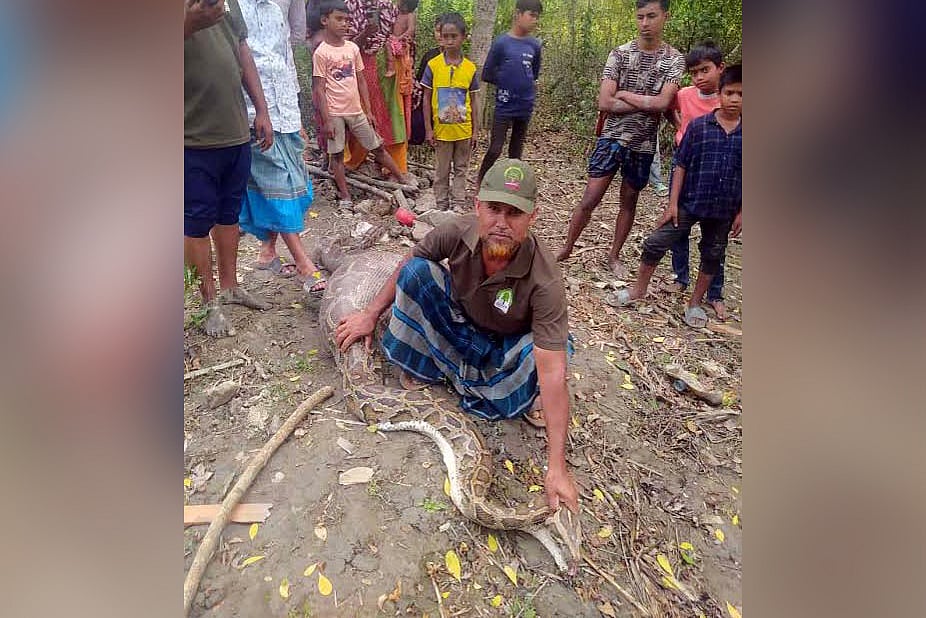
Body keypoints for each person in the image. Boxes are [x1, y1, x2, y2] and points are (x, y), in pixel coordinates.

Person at [334, 158, 580, 514]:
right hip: (461, 326)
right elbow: (409, 262)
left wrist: (556, 466)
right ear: (478, 207)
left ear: (532, 217)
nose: (501, 223)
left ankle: (472, 381)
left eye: (514, 214)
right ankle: (439, 371)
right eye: (494, 209)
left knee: (554, 353)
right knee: (419, 273)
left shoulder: (545, 279)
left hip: (503, 349)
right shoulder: (456, 231)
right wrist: (370, 314)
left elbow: (553, 372)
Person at [555, 0, 684, 280]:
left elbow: (663, 103)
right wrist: (648, 103)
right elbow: (604, 101)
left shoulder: (674, 59)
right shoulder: (620, 54)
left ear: (665, 16)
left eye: (652, 16)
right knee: (590, 198)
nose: (645, 23)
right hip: (612, 137)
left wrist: (625, 95)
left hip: (644, 143)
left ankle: (614, 255)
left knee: (629, 201)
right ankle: (566, 248)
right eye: (640, 17)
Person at [606, 65, 741, 328]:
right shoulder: (700, 127)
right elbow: (681, 164)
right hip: (690, 201)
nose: (734, 99)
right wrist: (672, 203)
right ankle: (637, 290)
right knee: (655, 243)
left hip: (724, 208)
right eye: (729, 93)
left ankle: (695, 303)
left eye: (741, 94)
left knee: (713, 254)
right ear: (720, 94)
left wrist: (742, 211)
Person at [184, 0, 272, 338]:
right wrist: (189, 23)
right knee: (195, 223)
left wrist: (261, 110)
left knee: (228, 215)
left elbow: (242, 51)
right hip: (190, 136)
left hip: (234, 131)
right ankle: (208, 303)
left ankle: (231, 287)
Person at [237, 0, 327, 296]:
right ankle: (303, 263)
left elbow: (287, 53)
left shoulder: (277, 9)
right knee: (278, 181)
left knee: (295, 181)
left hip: (285, 106)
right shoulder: (231, 7)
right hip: (253, 108)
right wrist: (256, 111)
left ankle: (267, 250)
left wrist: (295, 111)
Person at [313, 0, 409, 209]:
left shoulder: (352, 48)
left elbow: (361, 80)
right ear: (324, 20)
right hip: (335, 112)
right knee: (337, 155)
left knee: (377, 147)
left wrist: (368, 111)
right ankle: (346, 197)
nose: (344, 24)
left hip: (356, 110)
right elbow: (319, 88)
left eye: (347, 20)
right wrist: (327, 120)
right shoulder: (321, 53)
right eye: (339, 19)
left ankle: (403, 181)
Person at [666, 41, 728, 318]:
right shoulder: (684, 94)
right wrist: (680, 127)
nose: (700, 77)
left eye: (705, 70)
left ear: (720, 68)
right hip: (685, 166)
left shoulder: (730, 98)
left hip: (717, 172)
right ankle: (681, 277)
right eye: (694, 72)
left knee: (715, 235)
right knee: (678, 223)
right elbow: (670, 108)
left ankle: (714, 292)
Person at [476, 0, 543, 184]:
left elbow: (533, 73)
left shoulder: (534, 45)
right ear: (518, 14)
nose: (535, 21)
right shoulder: (501, 43)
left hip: (525, 104)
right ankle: (481, 181)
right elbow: (487, 73)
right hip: (504, 105)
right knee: (496, 148)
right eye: (532, 15)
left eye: (537, 17)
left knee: (516, 150)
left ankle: (512, 186)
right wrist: (506, 82)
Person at [342, 0, 411, 178]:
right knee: (358, 111)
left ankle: (392, 164)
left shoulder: (389, 6)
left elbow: (397, 35)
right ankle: (353, 159)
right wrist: (366, 33)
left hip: (388, 64)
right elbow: (346, 44)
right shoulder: (348, 5)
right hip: (357, 63)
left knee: (390, 113)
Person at [422, 13, 481, 211]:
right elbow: (426, 98)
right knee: (441, 170)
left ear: (463, 37)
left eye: (453, 36)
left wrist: (475, 131)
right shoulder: (433, 65)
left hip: (463, 131)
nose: (449, 41)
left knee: (461, 169)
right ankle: (440, 205)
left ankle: (457, 204)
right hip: (442, 131)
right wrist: (428, 129)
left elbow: (474, 100)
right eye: (445, 36)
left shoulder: (470, 69)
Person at [409, 14, 445, 146]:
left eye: (444, 32)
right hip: (427, 102)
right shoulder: (429, 56)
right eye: (437, 31)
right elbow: (420, 83)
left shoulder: (460, 60)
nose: (440, 35)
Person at [385, 0, 418, 78]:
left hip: (403, 42)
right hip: (394, 41)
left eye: (400, 2)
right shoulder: (396, 14)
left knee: (388, 45)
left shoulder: (410, 15)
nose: (397, 4)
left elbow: (411, 30)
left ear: (406, 5)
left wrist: (400, 38)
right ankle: (391, 67)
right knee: (387, 44)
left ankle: (391, 68)